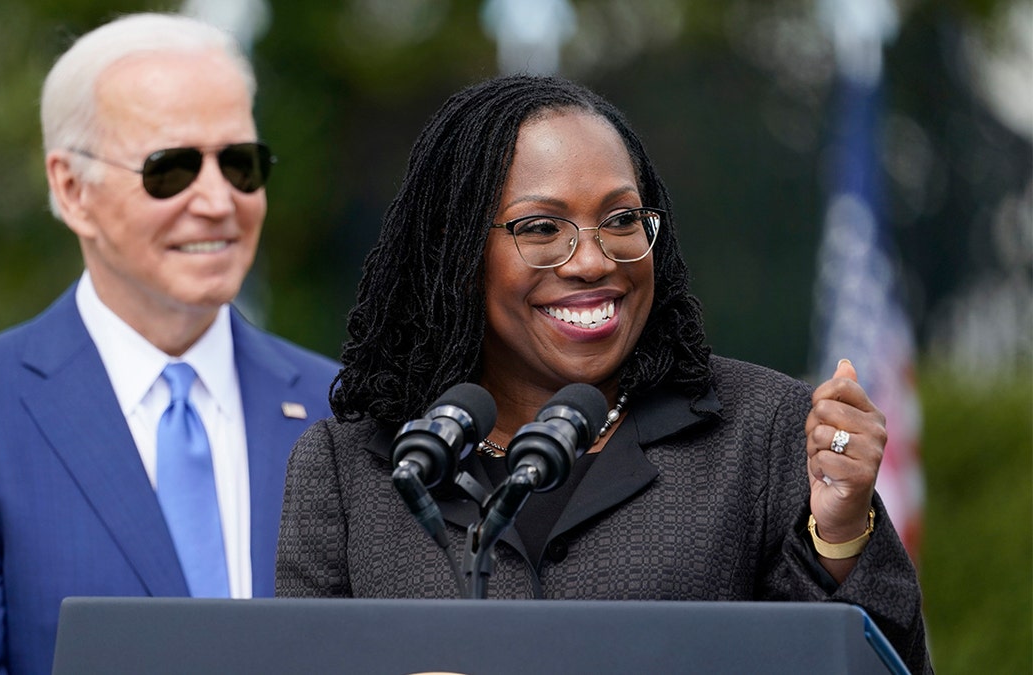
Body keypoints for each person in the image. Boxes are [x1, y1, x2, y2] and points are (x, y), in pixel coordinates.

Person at [275, 74, 931, 674]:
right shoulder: (350, 468)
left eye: (620, 219)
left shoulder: (763, 433)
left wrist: (841, 534)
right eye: (541, 227)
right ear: (457, 251)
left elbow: (870, 662)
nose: (592, 260)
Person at [0, 13, 338, 675]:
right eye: (170, 168)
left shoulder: (344, 409)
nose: (217, 199)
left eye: (239, 163)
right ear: (72, 188)